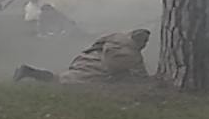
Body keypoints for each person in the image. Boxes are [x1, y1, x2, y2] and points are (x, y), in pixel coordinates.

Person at [13, 29, 152, 84]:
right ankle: (28, 71)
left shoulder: (117, 36)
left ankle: (28, 71)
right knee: (62, 81)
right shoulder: (130, 54)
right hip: (94, 69)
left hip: (84, 59)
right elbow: (114, 66)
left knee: (61, 77)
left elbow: (97, 44)